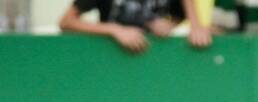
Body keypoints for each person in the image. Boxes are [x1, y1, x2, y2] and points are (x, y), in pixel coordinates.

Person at [60, 0, 213, 54]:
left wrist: (169, 25)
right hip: (111, 61)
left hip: (154, 66)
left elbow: (178, 16)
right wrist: (114, 30)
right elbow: (66, 22)